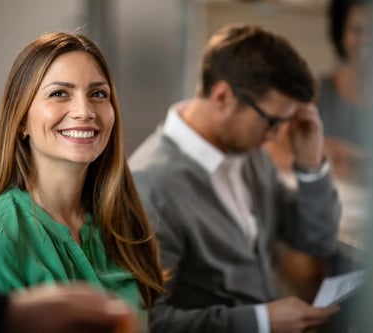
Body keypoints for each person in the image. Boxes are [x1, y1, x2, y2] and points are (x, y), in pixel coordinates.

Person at [0, 20, 141, 333]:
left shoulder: (119, 222)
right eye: (60, 93)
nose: (84, 111)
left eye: (98, 94)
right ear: (21, 122)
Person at [129, 23, 341, 333]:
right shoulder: (151, 186)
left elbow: (317, 239)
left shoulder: (249, 154)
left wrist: (310, 163)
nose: (278, 136)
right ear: (223, 96)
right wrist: (262, 322)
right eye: (272, 121)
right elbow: (150, 323)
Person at [318, 0, 373, 182]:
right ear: (341, 34)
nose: (366, 39)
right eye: (357, 30)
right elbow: (282, 150)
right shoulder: (317, 92)